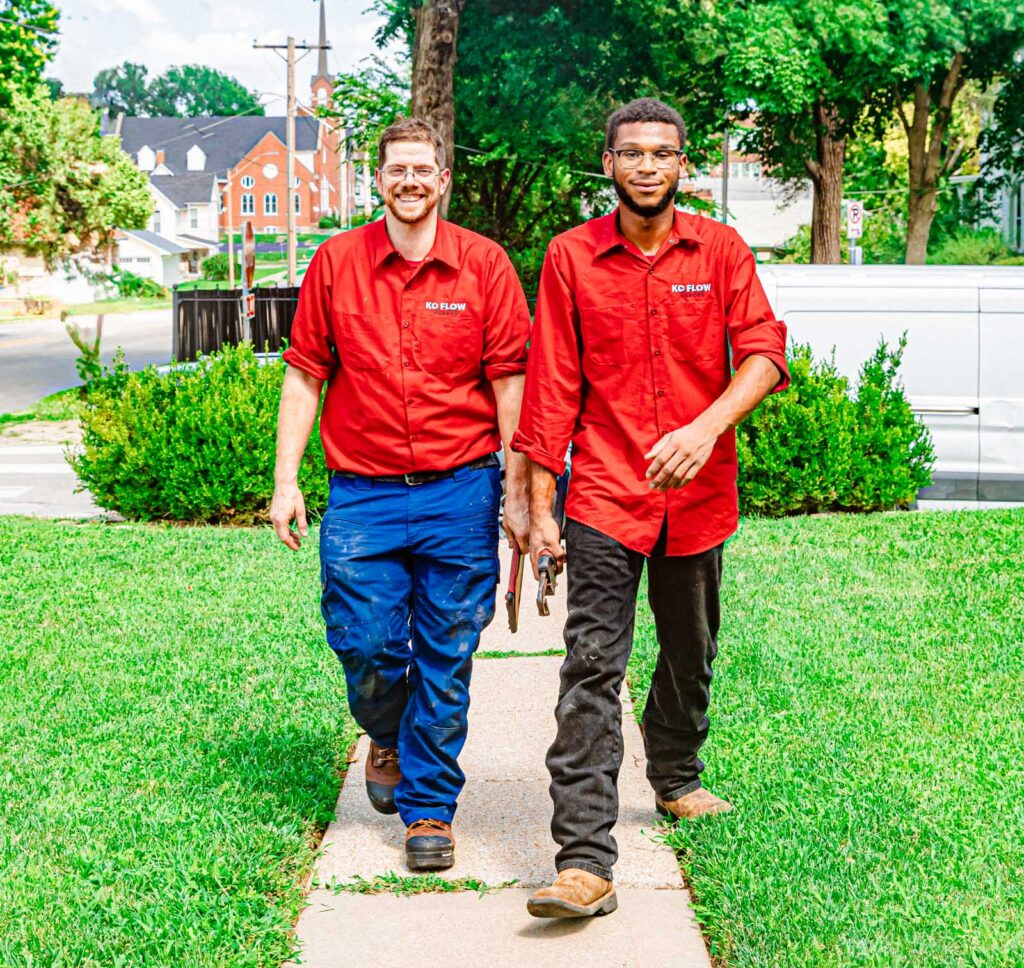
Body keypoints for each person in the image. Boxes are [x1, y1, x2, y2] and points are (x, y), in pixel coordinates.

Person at [512, 98, 790, 918]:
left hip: (699, 496)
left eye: (660, 154)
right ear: (608, 163)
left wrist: (707, 429)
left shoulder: (724, 249)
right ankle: (585, 860)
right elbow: (553, 386)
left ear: (683, 165)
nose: (644, 166)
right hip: (604, 491)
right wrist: (537, 506)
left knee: (689, 652)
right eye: (629, 153)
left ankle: (674, 774)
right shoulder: (570, 257)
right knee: (592, 667)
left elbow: (766, 353)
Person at [270, 117, 531, 871]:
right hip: (363, 497)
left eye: (424, 170)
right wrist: (287, 481)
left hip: (461, 491)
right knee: (366, 645)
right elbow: (305, 374)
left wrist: (518, 493)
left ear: (443, 179)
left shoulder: (484, 266)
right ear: (377, 179)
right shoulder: (336, 263)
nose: (411, 182)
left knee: (447, 652)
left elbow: (509, 383)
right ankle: (386, 731)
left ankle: (429, 810)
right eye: (397, 170)